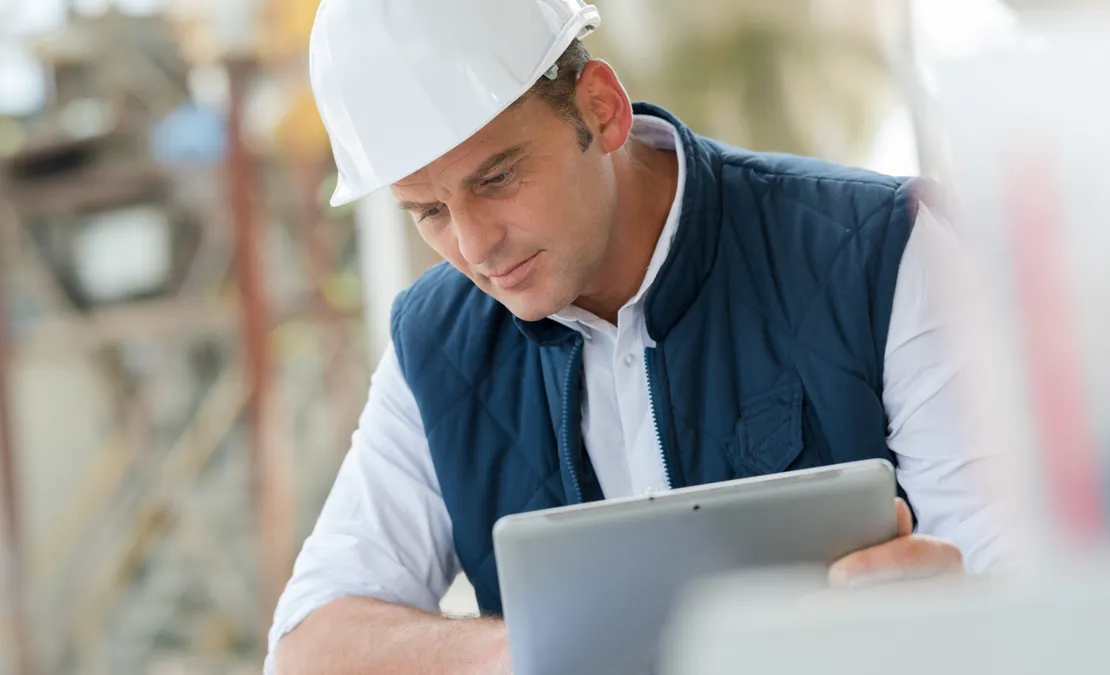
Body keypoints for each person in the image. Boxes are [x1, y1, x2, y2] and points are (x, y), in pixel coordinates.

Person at [268, 1, 1011, 673]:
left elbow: (1024, 581)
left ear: (601, 108)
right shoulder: (436, 345)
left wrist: (945, 623)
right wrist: (528, 653)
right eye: (427, 212)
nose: (475, 246)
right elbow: (308, 645)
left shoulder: (878, 253)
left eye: (496, 178)